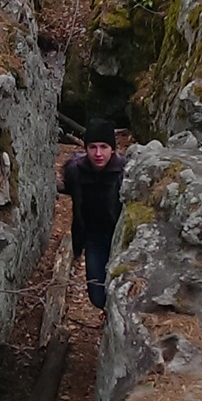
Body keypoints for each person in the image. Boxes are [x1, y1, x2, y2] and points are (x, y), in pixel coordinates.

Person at [59, 117, 126, 310]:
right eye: (92, 147)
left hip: (120, 241)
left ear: (112, 149)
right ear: (85, 148)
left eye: (104, 147)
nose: (98, 153)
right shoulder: (76, 172)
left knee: (119, 292)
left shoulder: (125, 173)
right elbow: (68, 188)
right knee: (97, 296)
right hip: (94, 239)